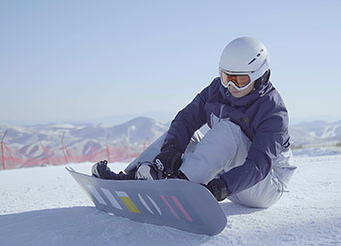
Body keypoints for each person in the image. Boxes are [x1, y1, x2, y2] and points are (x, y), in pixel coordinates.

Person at [92, 37, 296, 208]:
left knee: (228, 130)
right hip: (228, 178)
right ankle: (133, 177)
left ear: (259, 76)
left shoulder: (272, 111)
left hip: (265, 183)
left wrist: (221, 187)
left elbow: (258, 166)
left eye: (240, 80)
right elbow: (186, 119)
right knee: (184, 137)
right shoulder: (218, 90)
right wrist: (171, 150)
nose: (231, 86)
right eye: (226, 77)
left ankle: (180, 187)